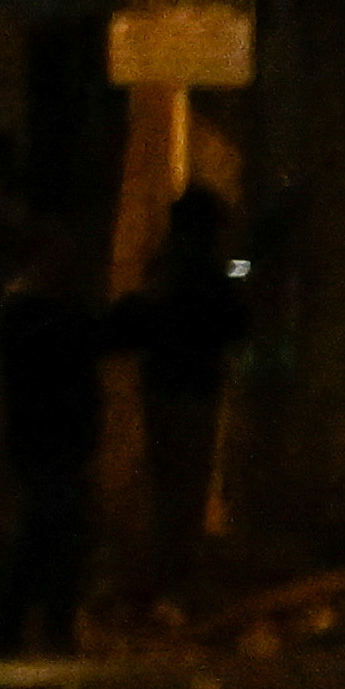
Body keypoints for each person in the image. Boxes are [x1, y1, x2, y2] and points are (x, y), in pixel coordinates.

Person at [112, 181, 251, 593]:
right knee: (185, 484)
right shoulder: (203, 273)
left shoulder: (165, 269)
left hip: (165, 385)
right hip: (192, 388)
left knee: (170, 484)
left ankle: (169, 570)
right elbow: (235, 324)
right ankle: (176, 574)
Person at [0, 236, 109, 656]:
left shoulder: (44, 313)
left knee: (53, 533)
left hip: (56, 437)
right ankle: (29, 627)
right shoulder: (30, 314)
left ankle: (36, 626)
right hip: (45, 438)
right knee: (46, 532)